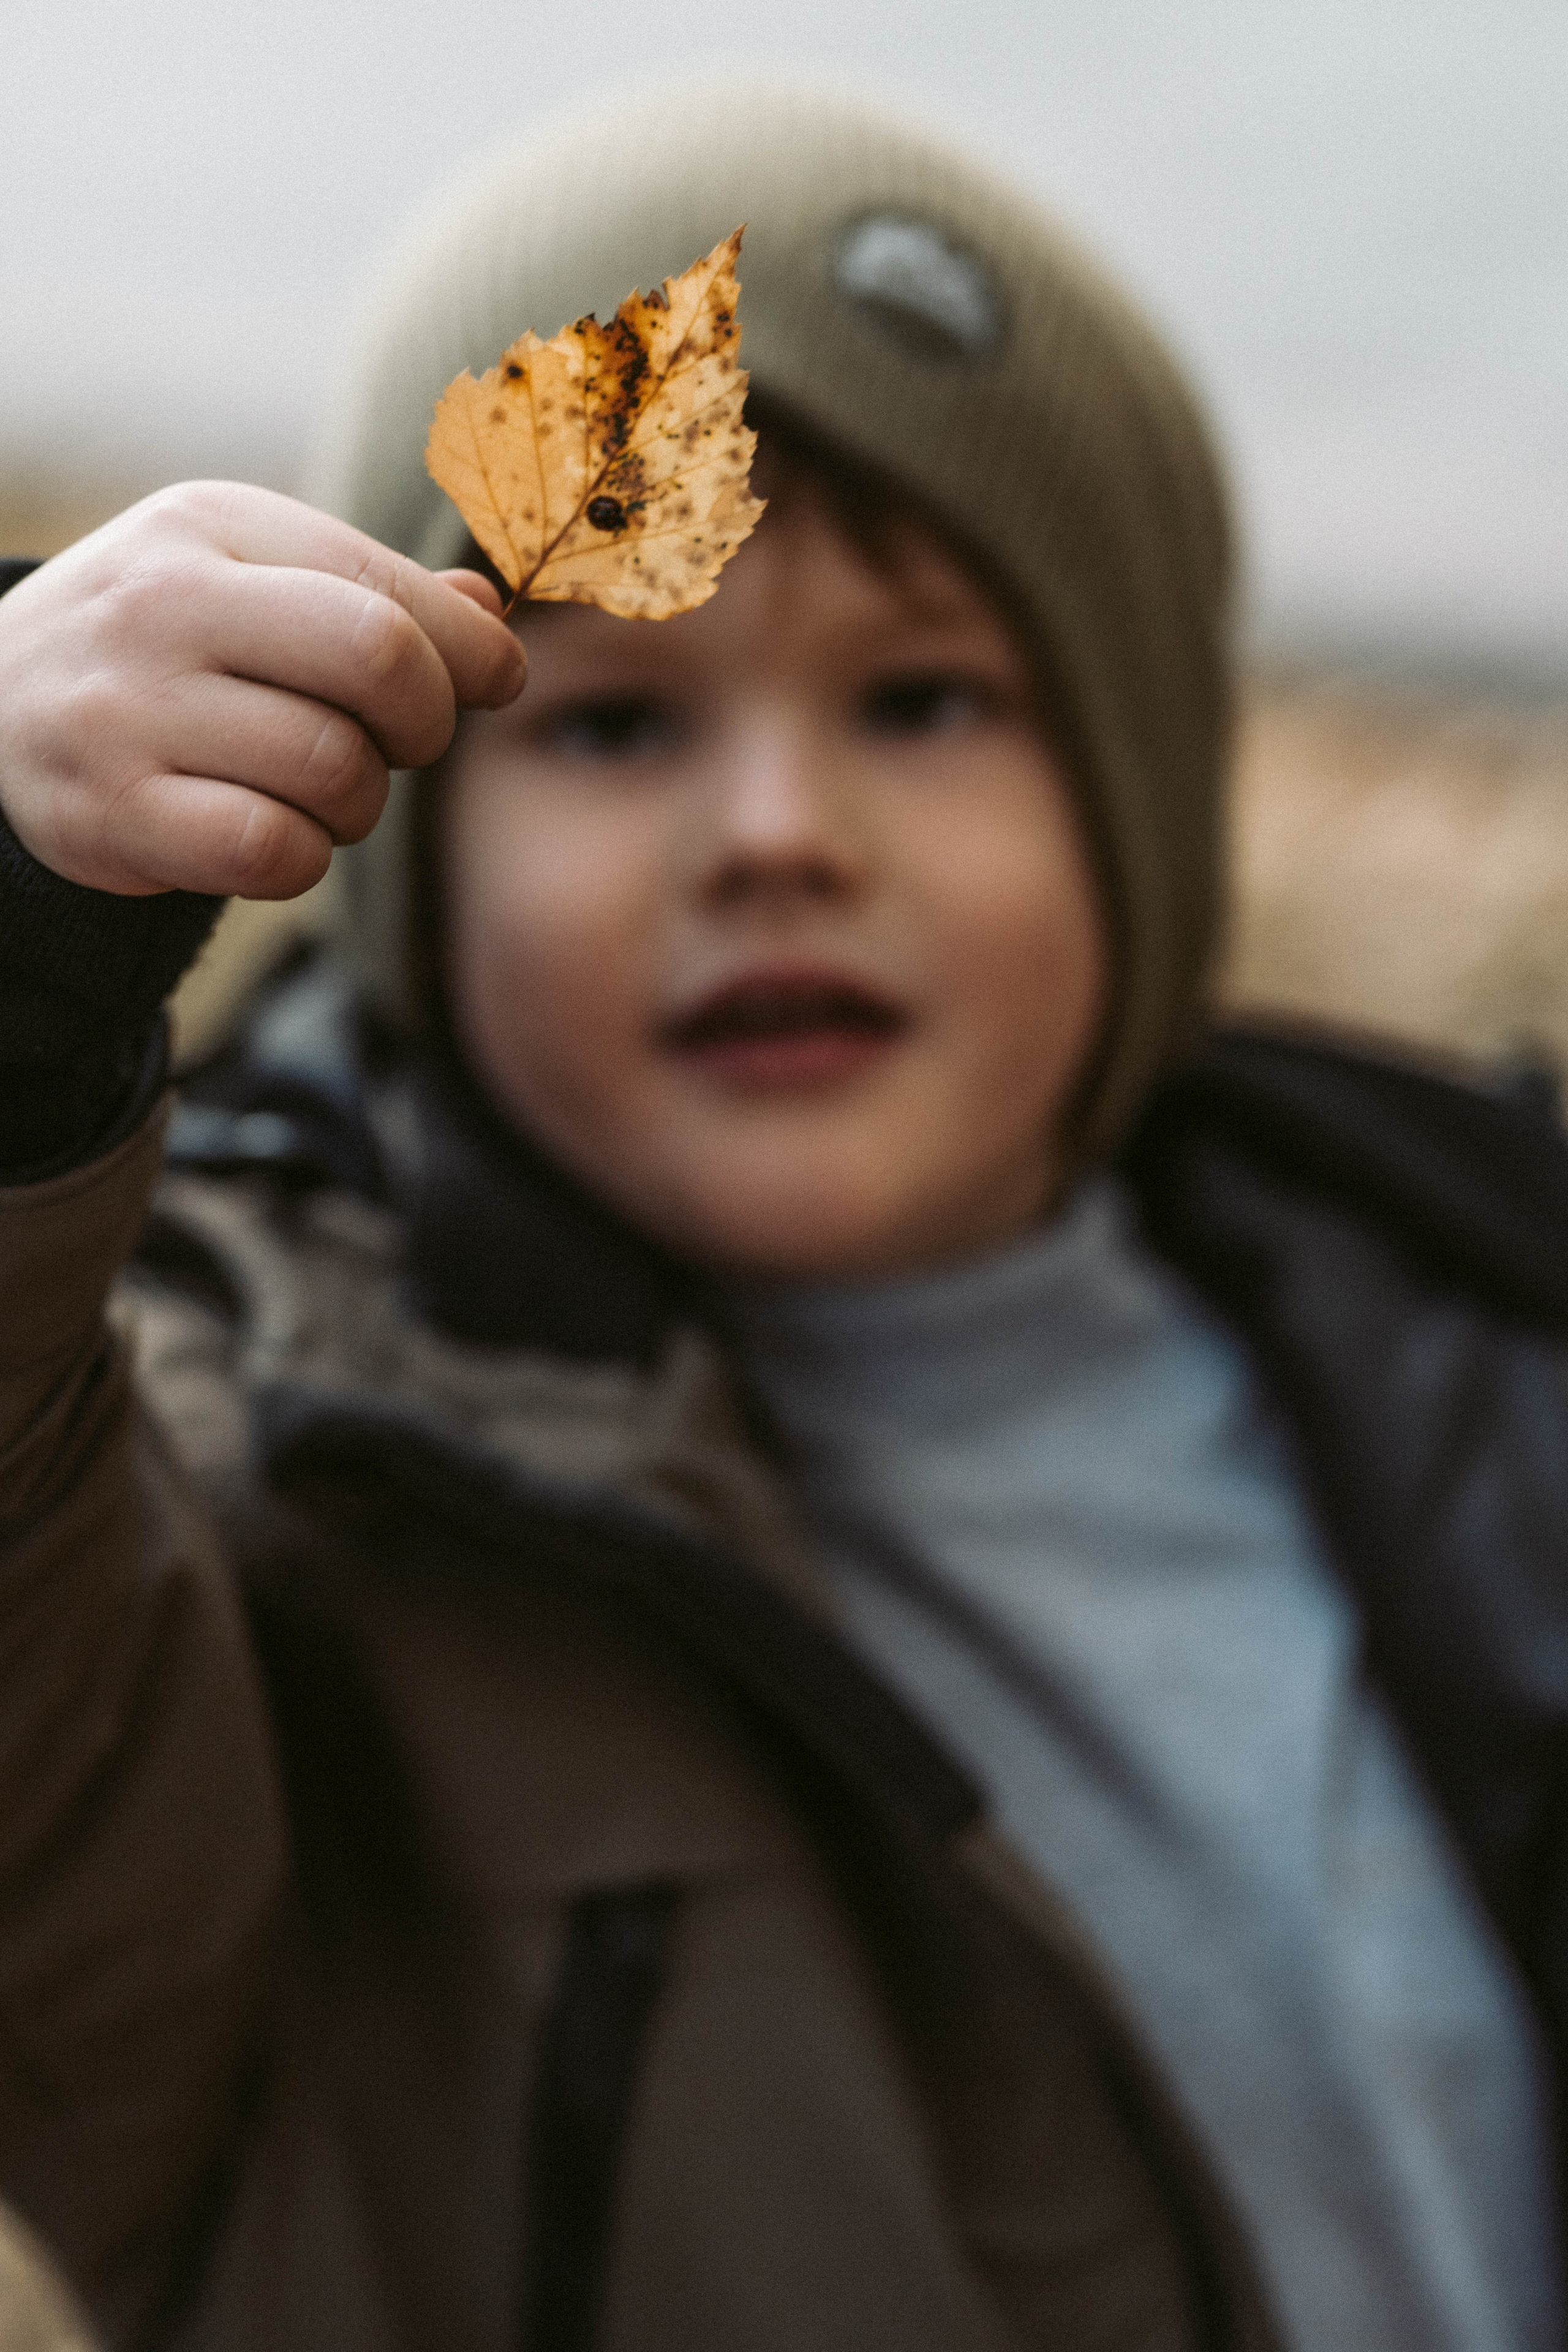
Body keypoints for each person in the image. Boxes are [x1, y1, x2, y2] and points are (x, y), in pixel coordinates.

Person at [0, 85, 1564, 2352]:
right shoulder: (266, 1521)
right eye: (616, 726)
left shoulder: (1482, 1324)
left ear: (1138, 805)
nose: (776, 835)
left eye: (924, 701)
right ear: (385, 812)